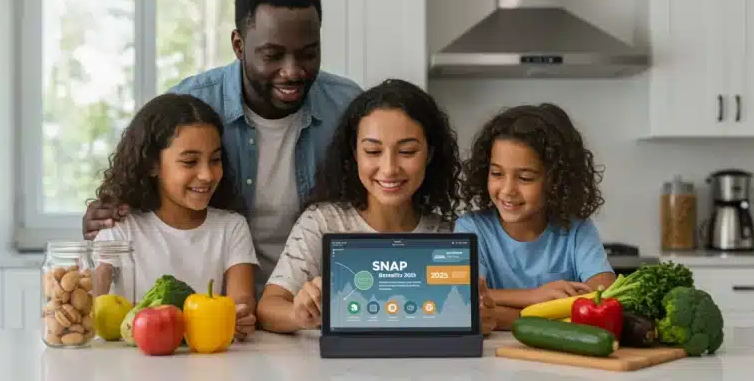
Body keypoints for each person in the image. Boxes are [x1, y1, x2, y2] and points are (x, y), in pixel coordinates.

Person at [81, 0, 363, 289]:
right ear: (239, 45)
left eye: (308, 54)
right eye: (272, 55)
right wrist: (104, 217)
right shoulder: (188, 106)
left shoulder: (347, 106)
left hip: (313, 302)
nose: (292, 71)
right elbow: (138, 183)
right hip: (217, 308)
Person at [256, 79, 496, 335]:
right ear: (354, 153)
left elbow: (469, 315)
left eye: (407, 151)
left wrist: (482, 319)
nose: (390, 169)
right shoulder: (322, 222)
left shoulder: (448, 233)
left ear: (430, 154)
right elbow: (268, 307)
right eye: (372, 151)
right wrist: (299, 314)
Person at [90, 93, 260, 341]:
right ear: (152, 165)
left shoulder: (231, 227)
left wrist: (242, 316)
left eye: (215, 160)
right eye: (190, 162)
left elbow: (241, 300)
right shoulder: (122, 227)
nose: (207, 175)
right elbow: (92, 297)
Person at [454, 103, 616, 330]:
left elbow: (606, 292)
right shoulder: (471, 229)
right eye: (497, 173)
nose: (508, 189)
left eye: (525, 177)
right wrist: (533, 297)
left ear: (556, 181)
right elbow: (465, 300)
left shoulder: (577, 230)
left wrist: (503, 314)